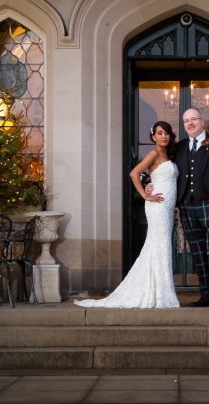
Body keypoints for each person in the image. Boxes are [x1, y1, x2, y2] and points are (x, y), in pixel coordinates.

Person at [74, 121, 180, 309]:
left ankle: (159, 291)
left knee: (159, 246)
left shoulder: (168, 154)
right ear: (153, 136)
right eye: (159, 133)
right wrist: (144, 194)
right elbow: (134, 173)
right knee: (159, 245)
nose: (163, 136)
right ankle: (159, 294)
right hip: (157, 206)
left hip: (167, 208)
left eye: (166, 133)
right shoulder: (154, 153)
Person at [160, 107, 209, 309]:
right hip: (187, 206)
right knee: (198, 253)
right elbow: (162, 167)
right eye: (186, 120)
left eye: (194, 119)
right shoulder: (179, 147)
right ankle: (207, 294)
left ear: (202, 121)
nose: (190, 123)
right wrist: (150, 184)